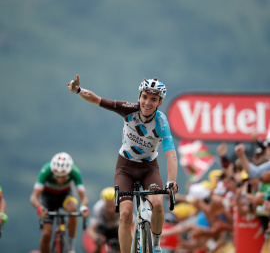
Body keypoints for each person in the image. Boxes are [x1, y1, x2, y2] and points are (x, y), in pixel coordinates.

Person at [68, 75, 178, 253]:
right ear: (139, 97)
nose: (147, 102)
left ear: (159, 103)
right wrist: (78, 90)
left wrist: (171, 181)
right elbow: (96, 100)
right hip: (125, 168)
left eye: (153, 99)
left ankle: (156, 244)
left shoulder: (161, 122)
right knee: (125, 214)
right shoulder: (128, 110)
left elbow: (171, 154)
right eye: (144, 97)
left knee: (157, 204)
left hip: (149, 168)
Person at [30, 152, 90, 253]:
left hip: (65, 195)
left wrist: (83, 207)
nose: (60, 180)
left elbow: (84, 197)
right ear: (53, 171)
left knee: (73, 209)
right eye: (57, 176)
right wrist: (39, 207)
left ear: (69, 172)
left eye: (64, 176)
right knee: (46, 235)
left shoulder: (75, 171)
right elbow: (34, 197)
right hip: (48, 199)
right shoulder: (46, 170)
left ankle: (71, 245)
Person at [83, 187, 120, 253]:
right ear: (104, 202)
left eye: (112, 205)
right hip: (102, 228)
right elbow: (91, 229)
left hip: (116, 228)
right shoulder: (98, 208)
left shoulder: (121, 206)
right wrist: (96, 237)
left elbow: (132, 224)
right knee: (98, 242)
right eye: (108, 206)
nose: (110, 209)